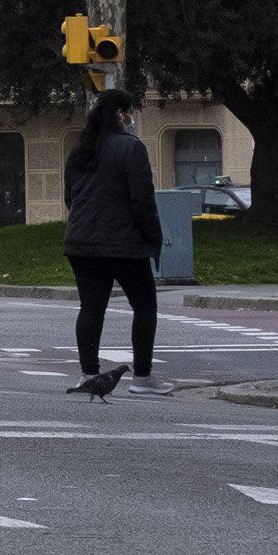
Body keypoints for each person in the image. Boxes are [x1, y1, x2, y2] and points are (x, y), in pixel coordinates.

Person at [64, 86, 168, 394]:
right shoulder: (131, 148)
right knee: (145, 306)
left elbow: (70, 197)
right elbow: (142, 200)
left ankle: (87, 373)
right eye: (130, 112)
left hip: (82, 242)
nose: (131, 118)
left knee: (91, 308)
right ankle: (143, 377)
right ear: (121, 114)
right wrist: (152, 237)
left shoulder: (80, 149)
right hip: (124, 243)